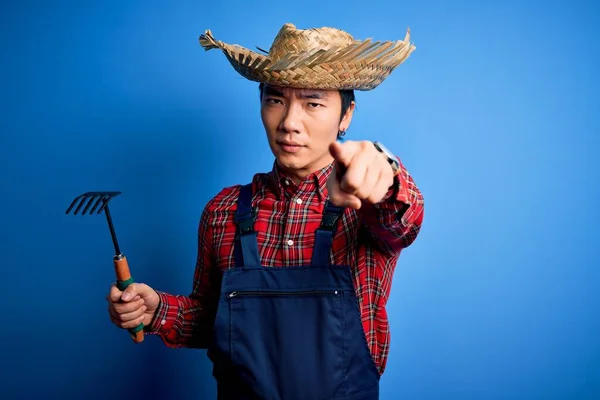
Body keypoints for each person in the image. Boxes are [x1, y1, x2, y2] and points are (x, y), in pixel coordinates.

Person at [107, 22, 425, 399]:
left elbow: (402, 220)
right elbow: (215, 321)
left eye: (313, 102)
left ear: (346, 115)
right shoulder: (223, 211)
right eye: (275, 99)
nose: (289, 122)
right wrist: (156, 310)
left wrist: (385, 170)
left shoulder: (366, 206)